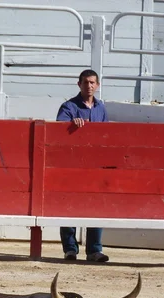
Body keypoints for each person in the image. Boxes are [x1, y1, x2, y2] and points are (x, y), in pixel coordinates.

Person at [56, 69, 109, 262]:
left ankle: (94, 250)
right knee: (69, 206)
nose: (89, 86)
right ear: (79, 84)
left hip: (94, 166)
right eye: (86, 82)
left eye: (93, 82)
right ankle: (70, 249)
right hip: (71, 166)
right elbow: (58, 132)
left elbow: (105, 136)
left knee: (95, 206)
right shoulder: (69, 107)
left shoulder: (101, 108)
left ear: (98, 85)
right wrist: (71, 124)